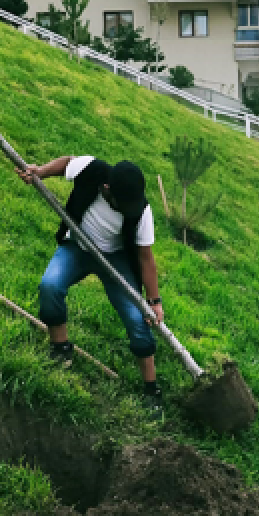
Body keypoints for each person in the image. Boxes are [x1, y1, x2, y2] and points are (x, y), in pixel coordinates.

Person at [16, 156, 166, 411]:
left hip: (116, 261)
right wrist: (40, 172)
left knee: (138, 319)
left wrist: (154, 302)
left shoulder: (142, 210)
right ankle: (60, 348)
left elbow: (145, 258)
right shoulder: (92, 170)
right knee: (50, 286)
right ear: (107, 190)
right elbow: (66, 163)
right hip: (78, 247)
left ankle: (151, 390)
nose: (129, 209)